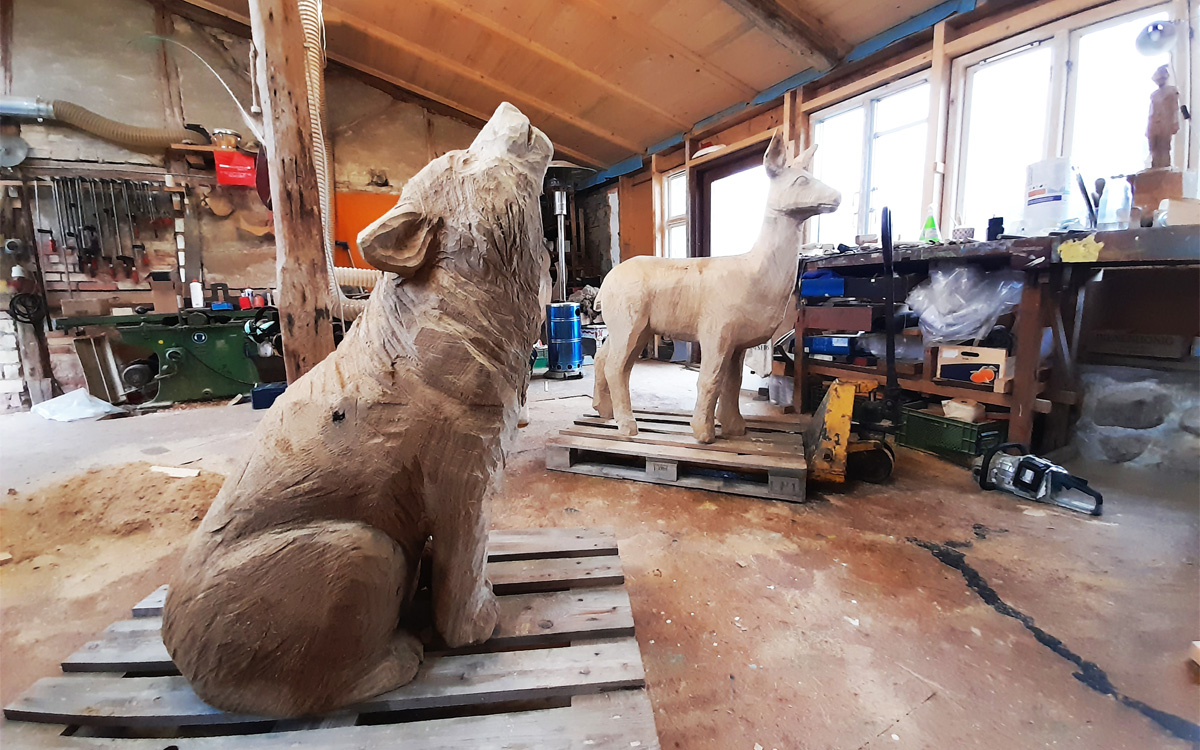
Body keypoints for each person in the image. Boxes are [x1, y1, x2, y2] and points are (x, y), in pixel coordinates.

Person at [1147, 65, 1180, 169]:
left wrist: (1175, 122)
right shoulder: (1154, 95)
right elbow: (1151, 112)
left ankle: (1163, 169)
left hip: (1165, 123)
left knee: (1164, 148)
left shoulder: (1171, 92)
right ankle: (1156, 168)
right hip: (1155, 124)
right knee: (1154, 150)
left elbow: (1174, 109)